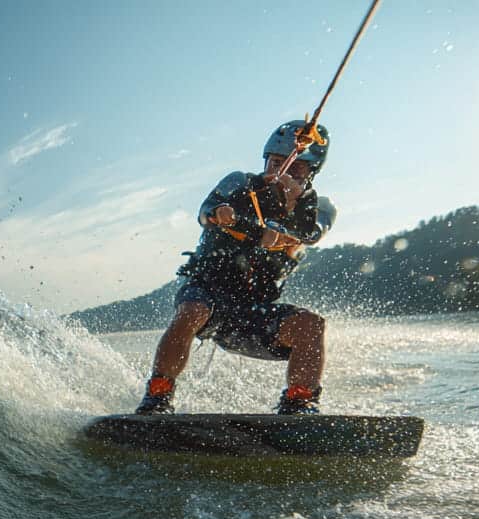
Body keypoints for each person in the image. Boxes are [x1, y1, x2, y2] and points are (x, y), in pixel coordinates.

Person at [135, 120, 337, 415]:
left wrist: (293, 201)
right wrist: (222, 213)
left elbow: (310, 234)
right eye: (277, 163)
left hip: (252, 313)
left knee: (311, 325)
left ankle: (299, 402)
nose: (282, 172)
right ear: (266, 159)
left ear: (312, 172)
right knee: (193, 311)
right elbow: (205, 213)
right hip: (206, 294)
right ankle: (158, 396)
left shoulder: (319, 208)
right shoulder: (239, 183)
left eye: (296, 167)